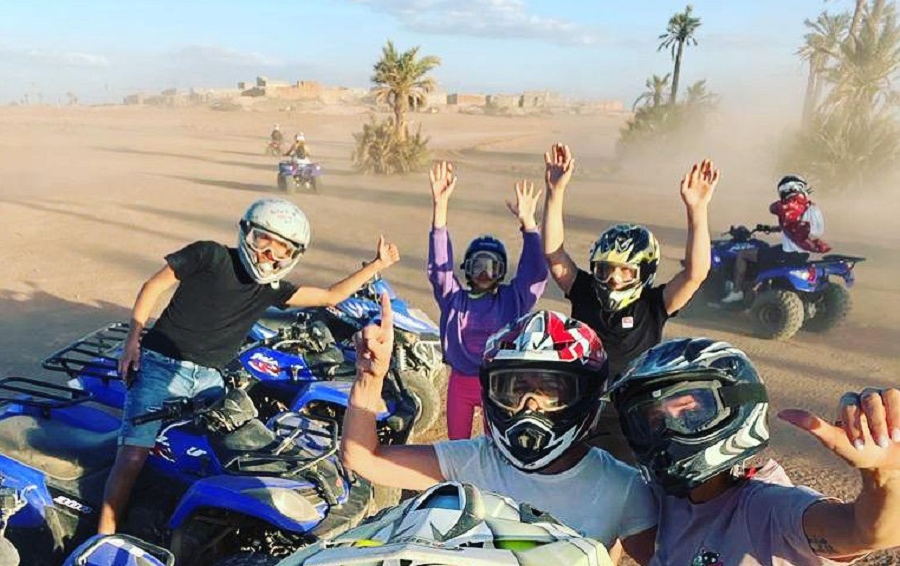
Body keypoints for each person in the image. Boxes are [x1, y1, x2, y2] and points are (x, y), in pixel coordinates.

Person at [98, 198, 401, 534]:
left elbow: (330, 296)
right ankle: (103, 535)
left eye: (280, 250)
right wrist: (133, 340)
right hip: (160, 366)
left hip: (210, 378)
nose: (267, 255)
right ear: (246, 233)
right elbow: (153, 285)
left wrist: (377, 265)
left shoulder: (270, 290)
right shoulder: (209, 255)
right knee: (132, 457)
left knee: (224, 456)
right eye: (262, 241)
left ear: (292, 256)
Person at [340, 303, 657, 563]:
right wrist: (370, 377)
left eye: (550, 390)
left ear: (586, 396)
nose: (529, 406)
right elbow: (362, 457)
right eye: (515, 389)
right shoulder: (473, 460)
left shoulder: (622, 487)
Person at [609, 336, 900, 565]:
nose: (669, 431)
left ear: (737, 406)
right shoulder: (664, 501)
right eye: (654, 421)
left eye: (691, 412)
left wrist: (886, 475)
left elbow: (867, 531)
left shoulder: (768, 508)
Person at [541, 142, 719, 460]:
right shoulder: (584, 292)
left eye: (625, 271)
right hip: (580, 410)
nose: (614, 279)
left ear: (644, 272)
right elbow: (554, 253)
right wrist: (555, 192)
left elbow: (696, 272)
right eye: (606, 269)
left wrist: (697, 210)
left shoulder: (653, 305)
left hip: (633, 416)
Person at [428, 160, 549, 439]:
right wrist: (440, 207)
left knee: (497, 447)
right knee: (458, 446)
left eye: (492, 266)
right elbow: (439, 267)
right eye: (478, 266)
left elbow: (536, 274)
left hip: (499, 386)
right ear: (467, 269)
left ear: (502, 271)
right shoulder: (453, 299)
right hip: (460, 384)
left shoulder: (512, 300)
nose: (484, 273)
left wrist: (529, 224)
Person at [722, 174, 832, 303]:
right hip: (806, 253)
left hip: (788, 254)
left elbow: (774, 208)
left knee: (742, 255)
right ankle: (754, 286)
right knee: (766, 251)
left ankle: (736, 291)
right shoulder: (810, 207)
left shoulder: (791, 204)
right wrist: (769, 228)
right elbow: (794, 226)